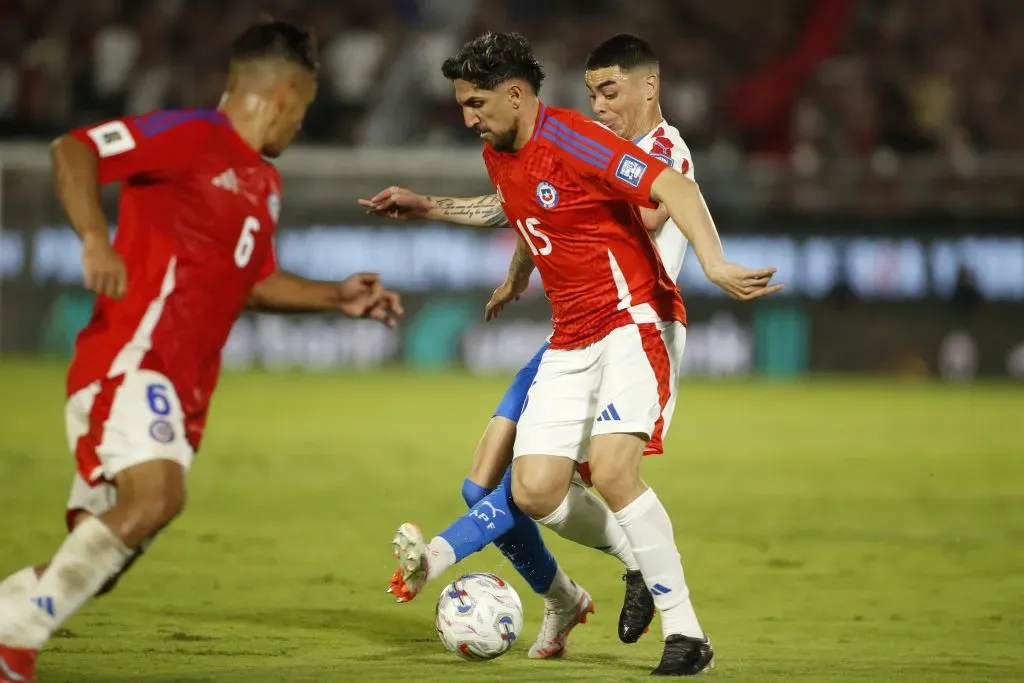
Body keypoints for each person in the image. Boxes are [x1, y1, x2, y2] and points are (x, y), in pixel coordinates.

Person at [365, 31, 781, 676]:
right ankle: (634, 563)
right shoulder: (502, 150)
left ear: (514, 94)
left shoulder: (577, 138)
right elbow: (524, 207)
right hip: (570, 336)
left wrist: (715, 261)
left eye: (475, 103)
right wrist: (435, 212)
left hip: (632, 321)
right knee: (529, 491)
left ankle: (687, 635)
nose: (467, 118)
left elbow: (671, 187)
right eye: (461, 106)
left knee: (613, 474)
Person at [0, 20, 402, 683]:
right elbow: (73, 150)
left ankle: (13, 619)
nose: (301, 125)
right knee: (158, 495)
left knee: (99, 563)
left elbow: (252, 281)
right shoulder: (190, 137)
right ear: (282, 94)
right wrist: (95, 238)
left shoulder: (262, 185)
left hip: (186, 393)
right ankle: (19, 640)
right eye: (302, 109)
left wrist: (336, 296)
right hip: (132, 361)